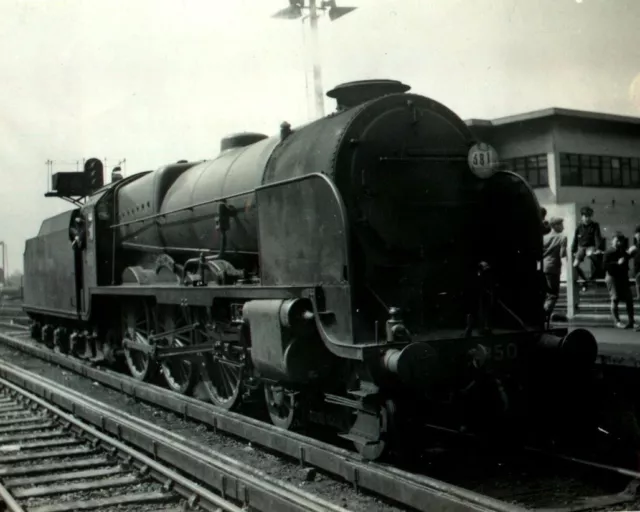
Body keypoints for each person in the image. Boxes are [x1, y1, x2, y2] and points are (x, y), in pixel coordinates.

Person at [603, 233, 636, 329]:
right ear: (612, 240)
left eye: (620, 241)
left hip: (622, 277)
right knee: (615, 298)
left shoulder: (622, 250)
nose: (619, 242)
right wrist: (617, 263)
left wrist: (631, 253)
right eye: (617, 240)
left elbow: (626, 257)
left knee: (629, 299)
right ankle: (617, 321)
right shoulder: (608, 252)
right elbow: (604, 266)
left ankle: (631, 321)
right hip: (612, 276)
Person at [542, 217, 567, 325]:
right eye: (561, 224)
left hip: (543, 267)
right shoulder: (562, 238)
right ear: (555, 226)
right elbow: (562, 254)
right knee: (553, 295)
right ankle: (544, 318)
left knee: (545, 294)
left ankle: (542, 317)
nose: (563, 227)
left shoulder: (544, 238)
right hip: (553, 268)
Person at [571, 206, 603, 291]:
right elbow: (575, 239)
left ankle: (591, 278)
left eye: (589, 216)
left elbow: (597, 237)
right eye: (586, 216)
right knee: (575, 265)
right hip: (581, 247)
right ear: (582, 216)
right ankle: (585, 280)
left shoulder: (595, 225)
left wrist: (598, 248)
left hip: (591, 247)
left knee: (593, 259)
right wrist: (573, 250)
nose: (588, 218)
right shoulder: (579, 227)